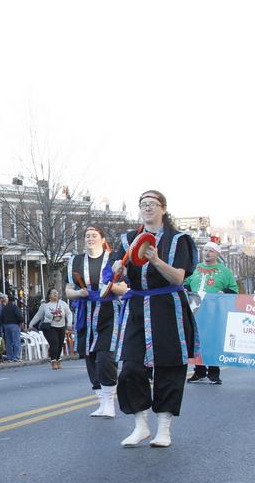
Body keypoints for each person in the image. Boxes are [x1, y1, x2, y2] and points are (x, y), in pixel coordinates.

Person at [114, 190, 198, 448]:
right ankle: (140, 425)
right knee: (130, 367)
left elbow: (178, 278)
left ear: (163, 208)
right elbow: (118, 275)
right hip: (137, 306)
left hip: (167, 307)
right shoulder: (129, 239)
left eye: (152, 204)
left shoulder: (178, 239)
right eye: (143, 204)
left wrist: (157, 261)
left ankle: (164, 429)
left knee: (169, 367)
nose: (147, 208)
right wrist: (118, 269)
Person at [66, 226, 122, 418]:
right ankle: (101, 402)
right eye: (87, 236)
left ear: (102, 238)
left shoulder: (113, 260)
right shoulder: (77, 260)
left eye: (94, 236)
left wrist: (112, 287)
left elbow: (124, 287)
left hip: (108, 313)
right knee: (90, 357)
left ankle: (110, 401)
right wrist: (79, 293)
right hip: (85, 313)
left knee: (105, 357)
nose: (90, 239)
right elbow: (68, 290)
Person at [185, 237, 239, 385]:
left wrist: (224, 293)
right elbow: (184, 283)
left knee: (212, 340)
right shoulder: (194, 269)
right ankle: (199, 371)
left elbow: (234, 289)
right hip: (195, 311)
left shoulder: (225, 272)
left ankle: (214, 372)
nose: (207, 253)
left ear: (217, 254)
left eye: (210, 251)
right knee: (196, 340)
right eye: (205, 250)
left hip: (213, 313)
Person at [30, 289, 73, 369]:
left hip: (61, 327)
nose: (55, 294)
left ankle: (58, 360)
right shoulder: (45, 305)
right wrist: (31, 324)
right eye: (53, 293)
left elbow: (69, 313)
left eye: (56, 292)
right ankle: (53, 361)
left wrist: (69, 323)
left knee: (60, 344)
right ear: (49, 295)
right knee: (54, 343)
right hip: (50, 327)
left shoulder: (63, 304)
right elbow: (38, 316)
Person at [0, 295, 25, 361]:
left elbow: (0, 316)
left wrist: (3, 323)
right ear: (14, 301)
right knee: (16, 341)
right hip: (14, 325)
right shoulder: (15, 307)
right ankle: (16, 356)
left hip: (6, 325)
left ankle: (9, 357)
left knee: (8, 342)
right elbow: (19, 316)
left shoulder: (4, 308)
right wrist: (21, 322)